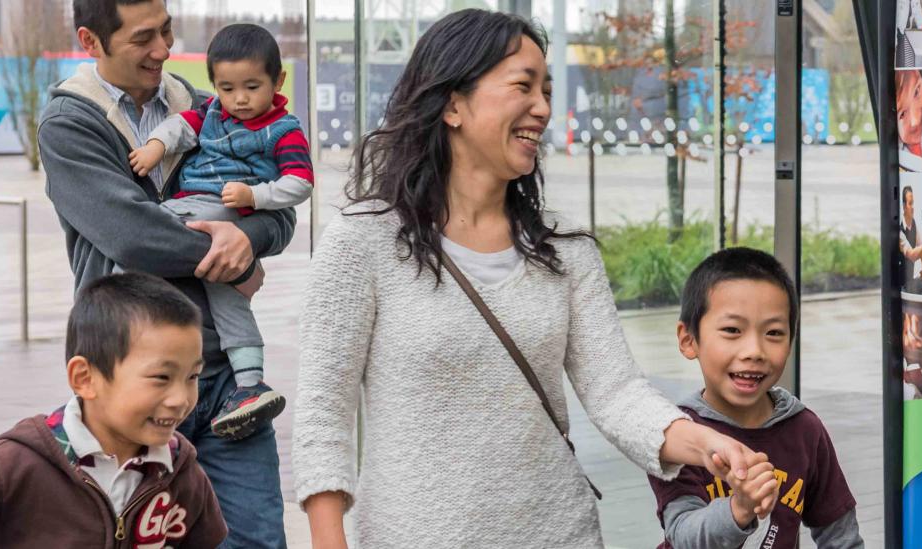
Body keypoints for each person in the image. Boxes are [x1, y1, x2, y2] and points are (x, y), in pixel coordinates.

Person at [295, 11, 770, 547]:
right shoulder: (363, 240)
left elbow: (615, 393)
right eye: (523, 86)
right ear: (453, 103)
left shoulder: (565, 249)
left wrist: (706, 443)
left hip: (557, 532)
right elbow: (323, 415)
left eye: (546, 89)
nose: (543, 108)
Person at [39, 0, 296, 545]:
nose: (163, 50)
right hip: (131, 376)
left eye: (167, 31)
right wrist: (226, 253)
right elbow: (131, 235)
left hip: (223, 374)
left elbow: (283, 213)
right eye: (143, 38)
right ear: (91, 42)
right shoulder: (70, 123)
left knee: (257, 540)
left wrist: (245, 241)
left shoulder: (210, 105)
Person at [0, 273, 227, 548]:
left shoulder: (180, 471)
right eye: (161, 377)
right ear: (85, 379)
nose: (180, 398)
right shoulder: (16, 464)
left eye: (192, 376)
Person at [121, 23, 313, 441]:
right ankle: (240, 381)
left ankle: (248, 383)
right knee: (173, 278)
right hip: (182, 209)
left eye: (251, 86)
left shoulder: (284, 129)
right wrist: (155, 147)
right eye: (227, 88)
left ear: (277, 81)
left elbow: (300, 183)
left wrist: (255, 195)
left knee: (221, 295)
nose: (239, 99)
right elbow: (178, 128)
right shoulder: (210, 112)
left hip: (224, 212)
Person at [649, 248, 864, 549]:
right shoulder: (680, 433)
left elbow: (840, 535)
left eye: (774, 333)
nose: (754, 351)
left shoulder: (805, 429)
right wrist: (739, 509)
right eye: (732, 330)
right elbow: (684, 535)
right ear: (688, 340)